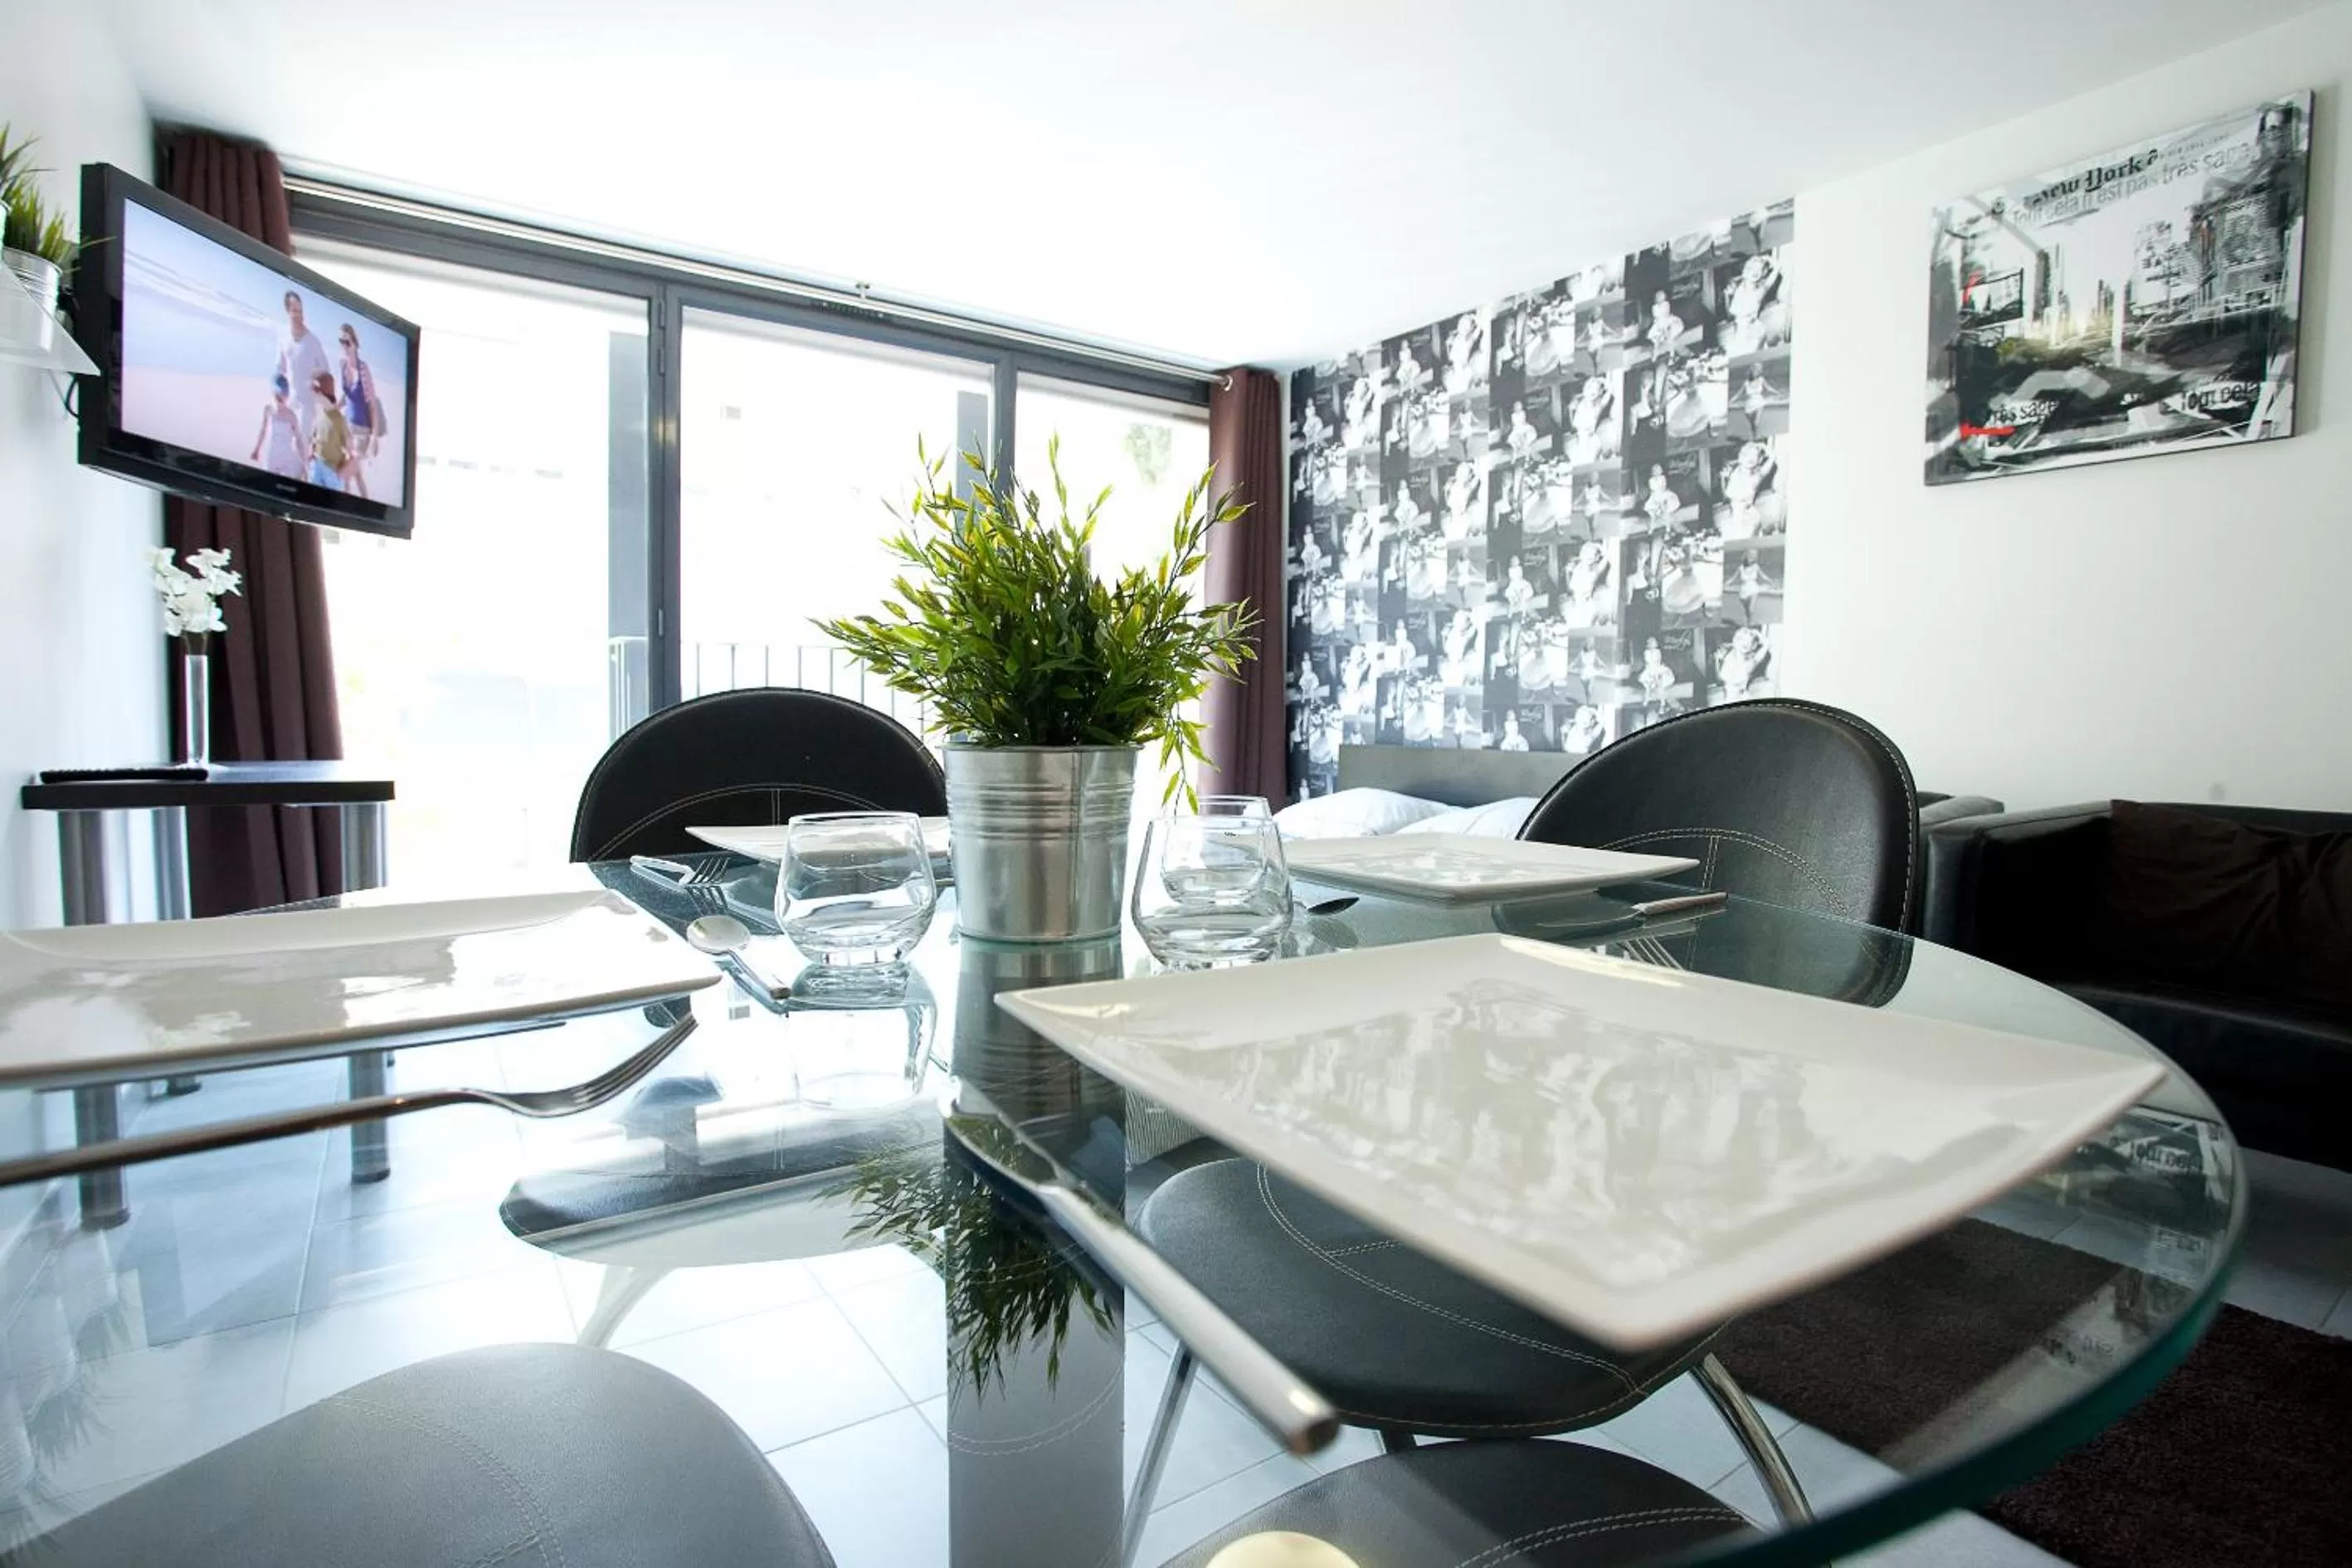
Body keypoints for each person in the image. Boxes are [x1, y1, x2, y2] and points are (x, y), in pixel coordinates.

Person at [334, 324, 386, 498]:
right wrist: (333, 409)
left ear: (355, 344)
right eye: (341, 341)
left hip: (362, 431)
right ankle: (365, 502)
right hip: (347, 427)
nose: (344, 346)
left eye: (347, 342)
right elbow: (347, 395)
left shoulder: (364, 371)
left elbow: (371, 405)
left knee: (345, 471)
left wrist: (374, 439)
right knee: (355, 476)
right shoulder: (342, 366)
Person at [276, 291, 331, 445]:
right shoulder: (283, 339)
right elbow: (279, 370)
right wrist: (279, 395)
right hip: (289, 402)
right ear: (287, 311)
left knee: (302, 446)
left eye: (300, 310)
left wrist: (316, 383)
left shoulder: (313, 341)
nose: (299, 315)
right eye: (294, 311)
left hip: (307, 406)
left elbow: (326, 370)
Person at [247, 373, 304, 479]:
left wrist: (304, 461)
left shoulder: (291, 415)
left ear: (287, 396)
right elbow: (263, 431)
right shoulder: (268, 410)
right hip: (272, 454)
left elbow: (299, 439)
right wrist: (257, 449)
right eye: (277, 395)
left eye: (283, 395)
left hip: (287, 454)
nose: (280, 398)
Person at [305, 371, 353, 491]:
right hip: (316, 466)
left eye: (314, 391)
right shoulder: (319, 412)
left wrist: (340, 474)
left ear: (321, 393)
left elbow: (350, 450)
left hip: (332, 471)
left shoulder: (338, 419)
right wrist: (311, 454)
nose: (311, 395)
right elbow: (314, 436)